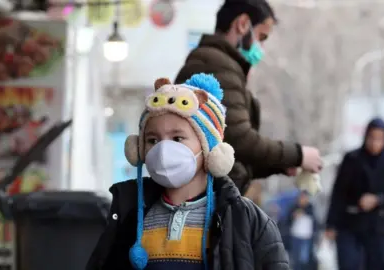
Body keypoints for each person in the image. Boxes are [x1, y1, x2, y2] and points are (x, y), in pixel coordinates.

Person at [86, 73, 289, 270]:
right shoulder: (128, 216)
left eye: (177, 138)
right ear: (138, 149)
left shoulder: (248, 221)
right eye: (152, 140)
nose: (163, 150)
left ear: (209, 149)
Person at [174, 0, 322, 194]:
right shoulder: (217, 65)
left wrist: (280, 164)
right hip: (206, 198)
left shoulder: (216, 62)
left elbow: (230, 154)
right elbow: (239, 139)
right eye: (261, 37)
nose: (261, 48)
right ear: (243, 24)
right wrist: (298, 154)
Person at [325, 117, 384, 270]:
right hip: (351, 226)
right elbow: (338, 194)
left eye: (379, 139)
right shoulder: (352, 160)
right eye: (372, 137)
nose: (375, 143)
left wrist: (378, 200)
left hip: (381, 230)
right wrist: (331, 224)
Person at [288, 191, 318, 270]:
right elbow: (287, 221)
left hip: (307, 237)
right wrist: (294, 216)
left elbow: (315, 222)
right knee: (296, 258)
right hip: (296, 237)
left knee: (305, 259)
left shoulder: (310, 208)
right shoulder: (293, 207)